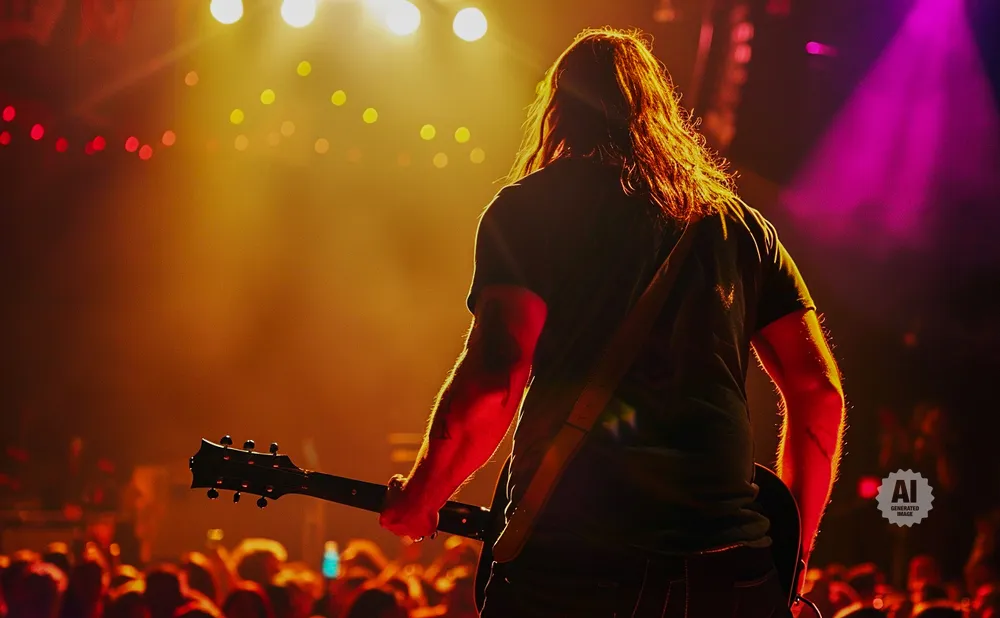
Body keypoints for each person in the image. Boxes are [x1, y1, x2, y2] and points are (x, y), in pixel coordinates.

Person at [379, 26, 846, 617]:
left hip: (573, 565)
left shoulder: (527, 210)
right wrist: (792, 558)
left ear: (558, 112)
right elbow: (818, 391)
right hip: (731, 573)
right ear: (659, 110)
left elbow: (498, 372)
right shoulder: (741, 229)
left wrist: (424, 494)